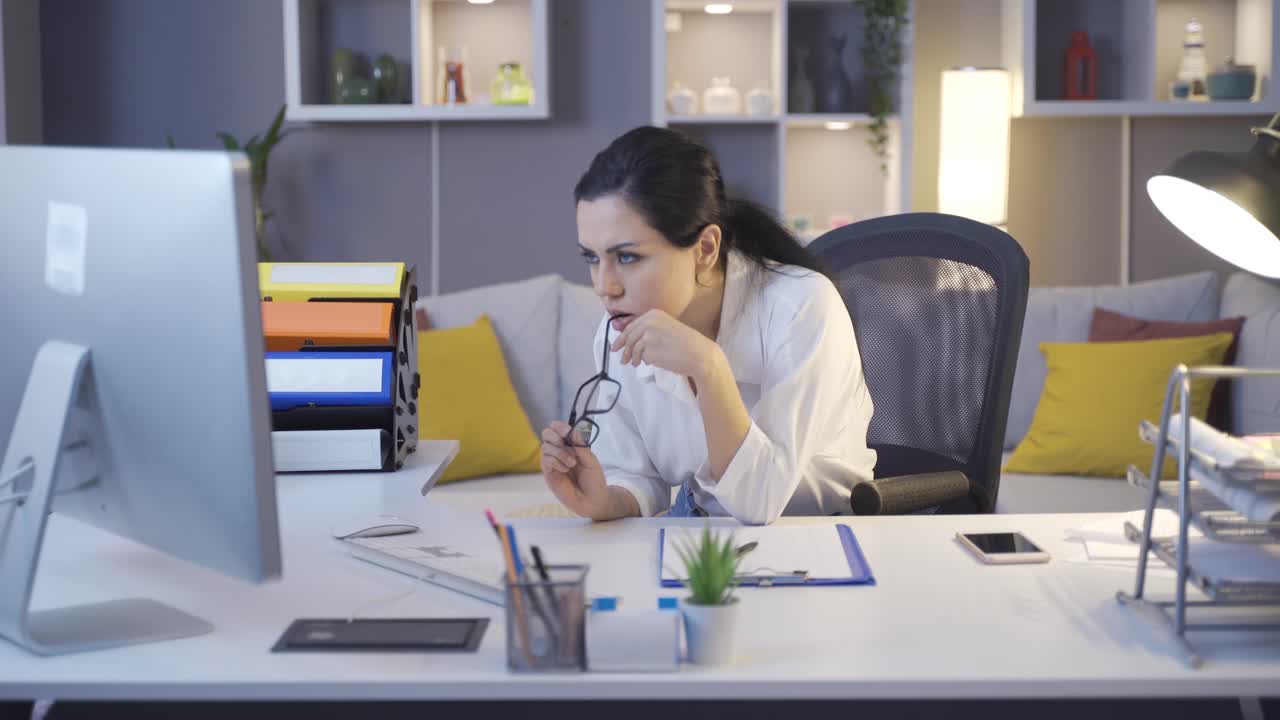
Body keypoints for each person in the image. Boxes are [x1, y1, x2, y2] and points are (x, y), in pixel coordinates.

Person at [539, 126, 875, 525]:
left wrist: (708, 367)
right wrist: (603, 501)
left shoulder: (801, 306)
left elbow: (759, 499)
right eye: (592, 259)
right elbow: (638, 478)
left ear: (705, 249)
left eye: (627, 258)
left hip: (824, 536)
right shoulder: (617, 331)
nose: (604, 286)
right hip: (705, 532)